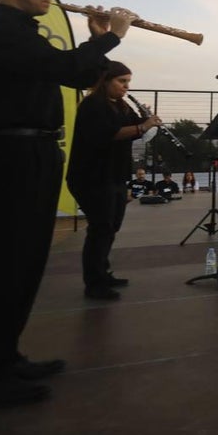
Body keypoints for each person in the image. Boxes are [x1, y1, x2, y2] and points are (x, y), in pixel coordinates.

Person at [0, 0, 133, 407]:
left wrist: (95, 40)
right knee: (0, 265)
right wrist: (112, 36)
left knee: (25, 263)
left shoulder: (25, 33)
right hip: (8, 155)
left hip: (33, 152)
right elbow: (64, 69)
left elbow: (77, 72)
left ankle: (4, 358)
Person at [67, 62, 160, 301]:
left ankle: (103, 273)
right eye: (122, 81)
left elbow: (137, 131)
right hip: (92, 177)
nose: (126, 87)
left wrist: (146, 121)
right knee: (100, 228)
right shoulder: (93, 105)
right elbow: (109, 134)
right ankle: (94, 283)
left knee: (111, 227)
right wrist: (142, 125)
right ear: (106, 81)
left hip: (115, 175)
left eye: (128, 82)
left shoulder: (121, 105)